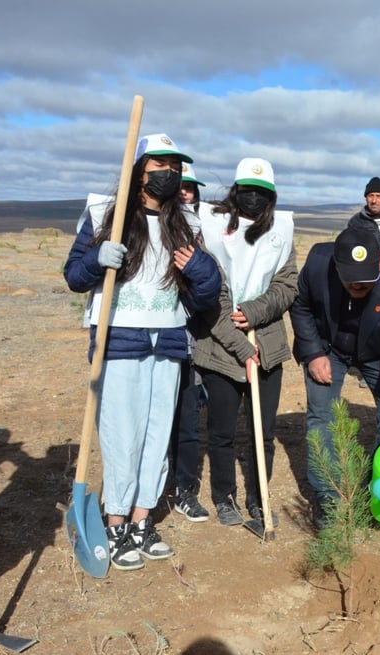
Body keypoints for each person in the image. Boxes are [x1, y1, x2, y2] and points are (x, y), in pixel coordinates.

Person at [64, 133, 222, 571]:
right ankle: (114, 522)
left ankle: (141, 520)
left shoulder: (183, 224)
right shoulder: (106, 216)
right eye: (160, 164)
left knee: (156, 437)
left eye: (175, 166)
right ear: (140, 171)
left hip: (168, 341)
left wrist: (201, 268)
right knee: (121, 435)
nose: (169, 173)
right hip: (120, 341)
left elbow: (207, 294)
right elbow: (75, 276)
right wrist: (98, 258)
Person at [290, 225, 380, 529]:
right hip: (329, 348)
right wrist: (313, 353)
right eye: (351, 283)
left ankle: (376, 490)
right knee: (321, 415)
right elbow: (300, 306)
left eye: (365, 284)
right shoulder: (317, 262)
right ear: (337, 267)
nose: (358, 289)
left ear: (379, 262)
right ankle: (328, 495)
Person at [190, 158, 297, 528]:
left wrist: (254, 310)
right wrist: (239, 342)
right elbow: (206, 293)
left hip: (267, 345)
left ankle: (257, 499)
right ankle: (225, 497)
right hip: (219, 346)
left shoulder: (281, 232)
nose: (253, 198)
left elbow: (287, 286)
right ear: (236, 191)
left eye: (261, 192)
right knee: (220, 432)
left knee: (262, 433)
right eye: (246, 190)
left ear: (271, 197)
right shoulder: (211, 229)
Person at [170, 161, 212, 521]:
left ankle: (184, 490)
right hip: (147, 343)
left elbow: (208, 292)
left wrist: (199, 268)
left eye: (190, 187)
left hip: (188, 341)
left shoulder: (202, 231)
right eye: (180, 185)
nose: (185, 192)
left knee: (187, 421)